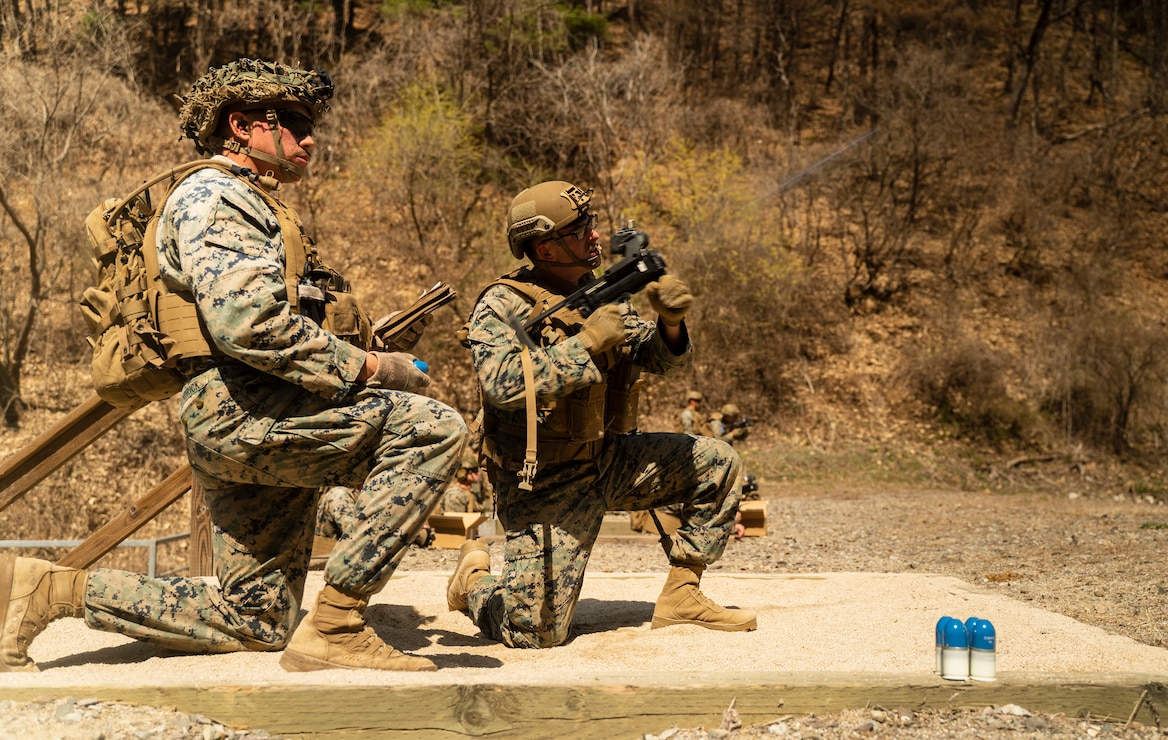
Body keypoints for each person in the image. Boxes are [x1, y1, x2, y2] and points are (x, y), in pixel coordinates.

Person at [0, 59, 467, 674]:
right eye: (295, 123)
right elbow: (249, 324)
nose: (310, 138)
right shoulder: (217, 196)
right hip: (245, 407)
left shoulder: (244, 201)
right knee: (432, 428)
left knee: (259, 619)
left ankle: (54, 589)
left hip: (247, 408)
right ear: (243, 126)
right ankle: (337, 624)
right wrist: (371, 367)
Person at [449, 180, 754, 648]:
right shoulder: (505, 304)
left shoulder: (603, 293)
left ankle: (682, 595)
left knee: (717, 462)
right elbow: (503, 383)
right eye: (581, 228)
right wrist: (588, 343)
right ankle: (472, 581)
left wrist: (671, 323)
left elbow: (662, 361)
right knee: (534, 634)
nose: (595, 235)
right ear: (546, 247)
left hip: (607, 460)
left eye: (591, 223)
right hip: (543, 480)